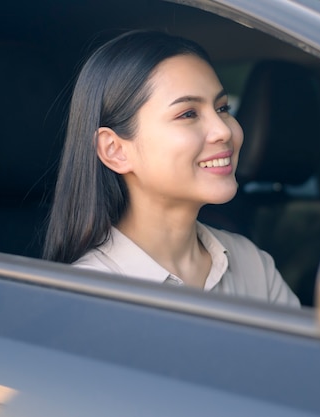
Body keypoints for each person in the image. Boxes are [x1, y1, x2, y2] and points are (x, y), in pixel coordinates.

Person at [43, 30, 300, 307]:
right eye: (188, 114)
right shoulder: (89, 298)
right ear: (115, 150)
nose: (223, 130)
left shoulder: (250, 262)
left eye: (223, 108)